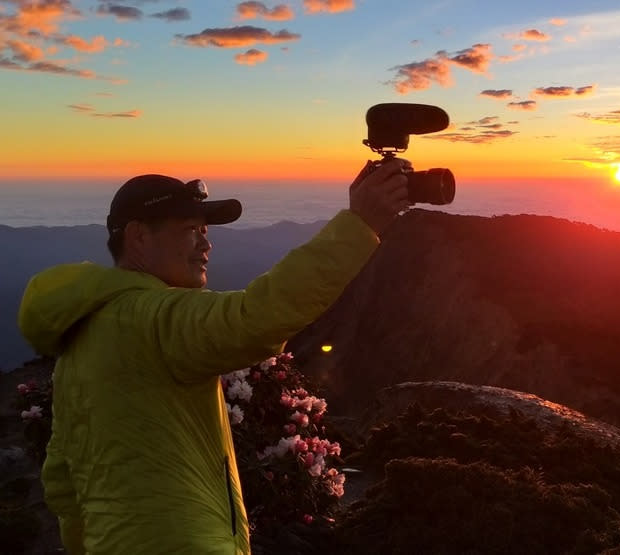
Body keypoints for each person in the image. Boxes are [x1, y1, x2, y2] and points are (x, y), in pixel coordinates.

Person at [17, 160, 410, 554]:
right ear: (138, 238)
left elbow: (62, 479)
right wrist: (361, 224)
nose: (206, 243)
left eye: (205, 230)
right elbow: (256, 317)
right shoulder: (151, 320)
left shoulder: (84, 335)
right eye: (189, 230)